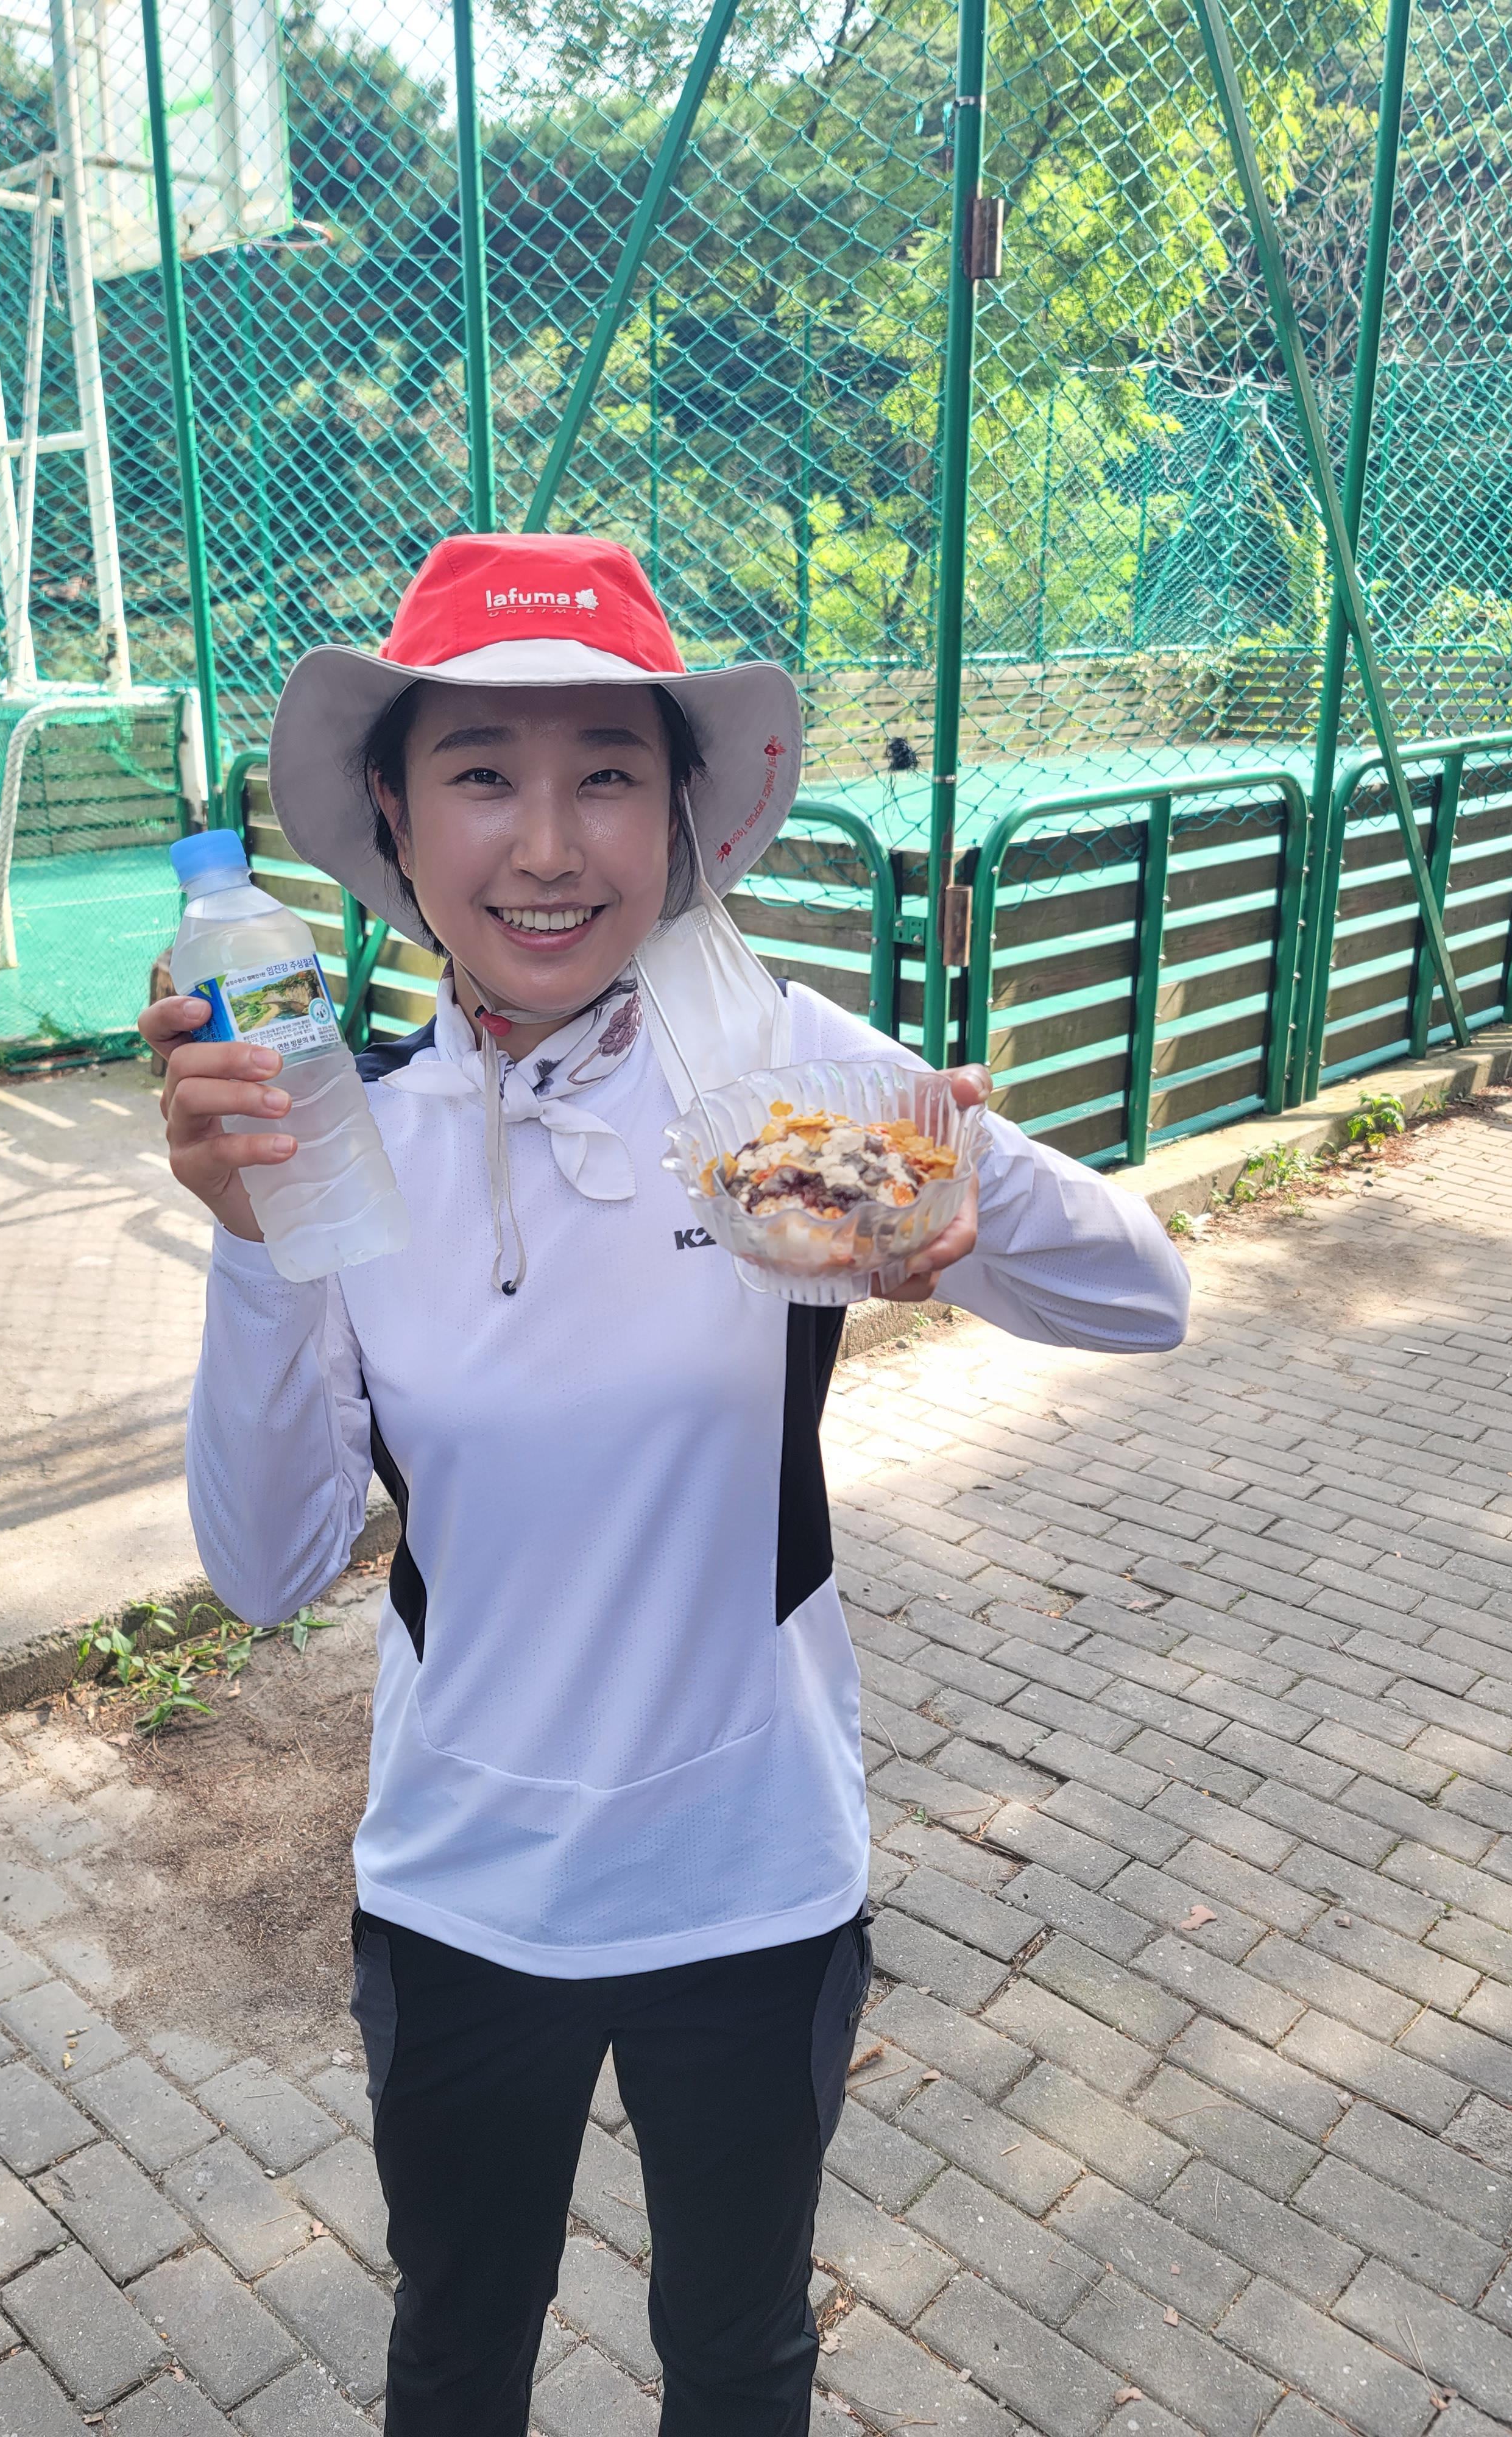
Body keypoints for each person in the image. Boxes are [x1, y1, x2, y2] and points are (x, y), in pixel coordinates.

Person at [140, 532, 1190, 2437]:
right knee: (459, 2349)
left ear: (686, 820)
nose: (549, 846)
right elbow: (269, 1565)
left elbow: (1148, 1297)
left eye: (607, 775)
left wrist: (959, 1192)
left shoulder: (772, 1084)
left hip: (752, 1877)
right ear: (394, 818)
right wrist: (251, 1229)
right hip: (464, 1890)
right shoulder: (346, 1136)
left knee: (738, 2356)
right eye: (483, 774)